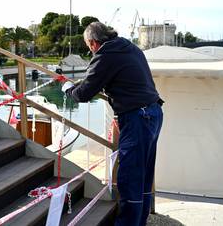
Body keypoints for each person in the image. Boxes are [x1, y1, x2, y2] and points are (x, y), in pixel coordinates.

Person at [62, 22, 163, 226]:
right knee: (143, 174)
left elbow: (84, 93)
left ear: (93, 42)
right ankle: (140, 220)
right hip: (153, 111)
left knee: (129, 177)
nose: (90, 50)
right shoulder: (127, 46)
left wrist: (67, 89)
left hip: (138, 117)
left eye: (89, 46)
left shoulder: (106, 55)